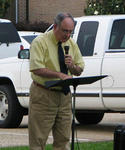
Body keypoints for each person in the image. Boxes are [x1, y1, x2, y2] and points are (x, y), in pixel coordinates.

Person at [28, 12, 85, 150]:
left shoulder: (71, 43)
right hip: (43, 94)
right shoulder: (40, 42)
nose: (67, 35)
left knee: (64, 140)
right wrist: (60, 75)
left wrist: (71, 66)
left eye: (70, 32)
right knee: (38, 140)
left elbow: (79, 70)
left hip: (64, 97)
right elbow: (36, 68)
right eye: (65, 31)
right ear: (55, 27)